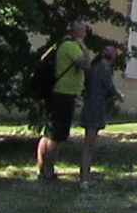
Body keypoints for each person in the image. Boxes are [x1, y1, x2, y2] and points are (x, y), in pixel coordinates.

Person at [36, 21, 91, 182]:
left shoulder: (62, 44)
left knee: (48, 133)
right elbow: (85, 64)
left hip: (58, 93)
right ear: (77, 32)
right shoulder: (72, 46)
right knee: (56, 136)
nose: (85, 35)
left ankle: (42, 168)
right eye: (84, 32)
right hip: (64, 94)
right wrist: (84, 48)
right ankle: (48, 170)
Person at [78, 43, 123, 188]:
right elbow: (110, 89)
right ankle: (84, 180)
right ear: (113, 59)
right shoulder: (104, 69)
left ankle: (85, 178)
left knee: (88, 145)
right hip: (96, 109)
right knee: (89, 146)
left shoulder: (94, 68)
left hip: (89, 106)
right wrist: (118, 95)